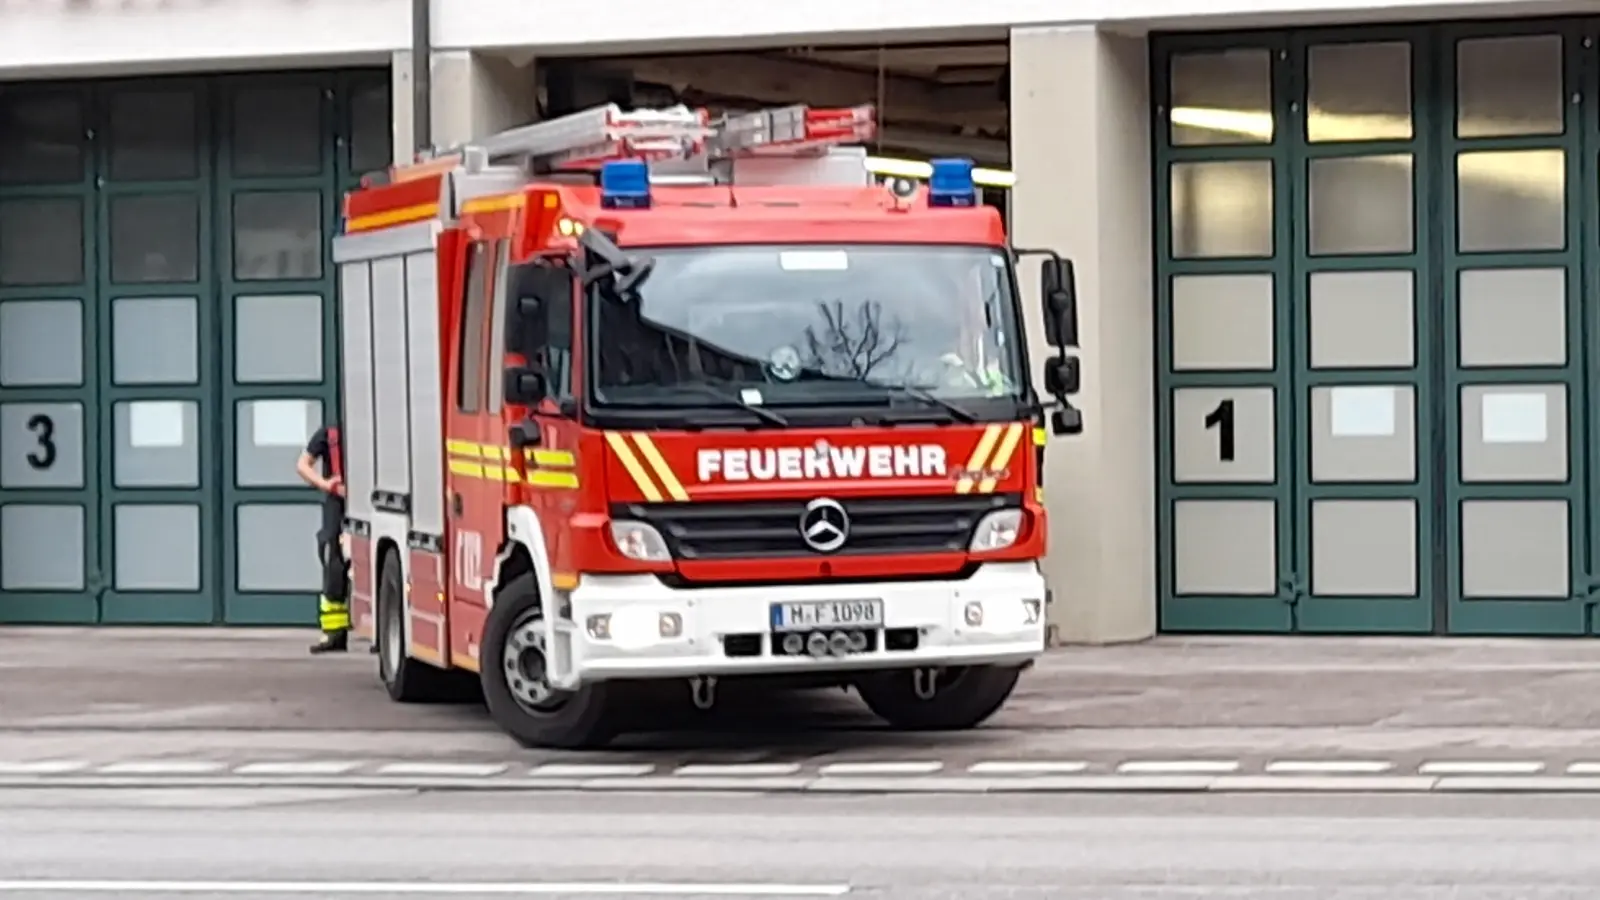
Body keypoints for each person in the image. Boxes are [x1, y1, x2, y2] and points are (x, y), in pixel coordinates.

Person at [297, 424, 349, 654]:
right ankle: (334, 633)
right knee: (332, 560)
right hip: (337, 501)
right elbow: (302, 465)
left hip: (369, 501)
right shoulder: (329, 435)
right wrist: (326, 484)